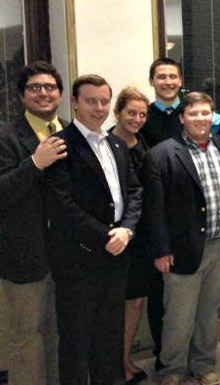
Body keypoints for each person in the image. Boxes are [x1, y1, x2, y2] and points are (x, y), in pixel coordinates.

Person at [44, 74, 142, 385]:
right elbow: (61, 206)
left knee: (109, 339)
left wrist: (126, 230)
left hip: (117, 255)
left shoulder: (116, 142)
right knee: (76, 342)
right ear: (74, 103)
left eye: (103, 101)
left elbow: (134, 191)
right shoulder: (60, 145)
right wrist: (106, 236)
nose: (98, 108)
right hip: (79, 260)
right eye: (90, 101)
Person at [143, 92, 220, 385]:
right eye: (194, 114)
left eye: (206, 113)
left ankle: (203, 364)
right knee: (179, 317)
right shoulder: (162, 154)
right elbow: (154, 209)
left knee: (209, 312)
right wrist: (161, 250)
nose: (201, 119)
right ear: (182, 118)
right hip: (182, 248)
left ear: (214, 117)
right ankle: (171, 370)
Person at [0, 61, 66, 385]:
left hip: (67, 256)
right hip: (24, 255)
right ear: (22, 95)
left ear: (61, 94)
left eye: (50, 87)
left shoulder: (71, 132)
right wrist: (35, 164)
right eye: (34, 88)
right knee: (25, 339)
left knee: (58, 333)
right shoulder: (5, 136)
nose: (43, 93)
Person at [110, 87, 151, 385]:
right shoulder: (104, 143)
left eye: (141, 114)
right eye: (131, 113)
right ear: (118, 113)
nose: (136, 119)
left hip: (142, 237)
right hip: (111, 236)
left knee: (136, 302)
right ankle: (109, 362)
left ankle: (123, 358)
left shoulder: (143, 146)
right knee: (109, 303)